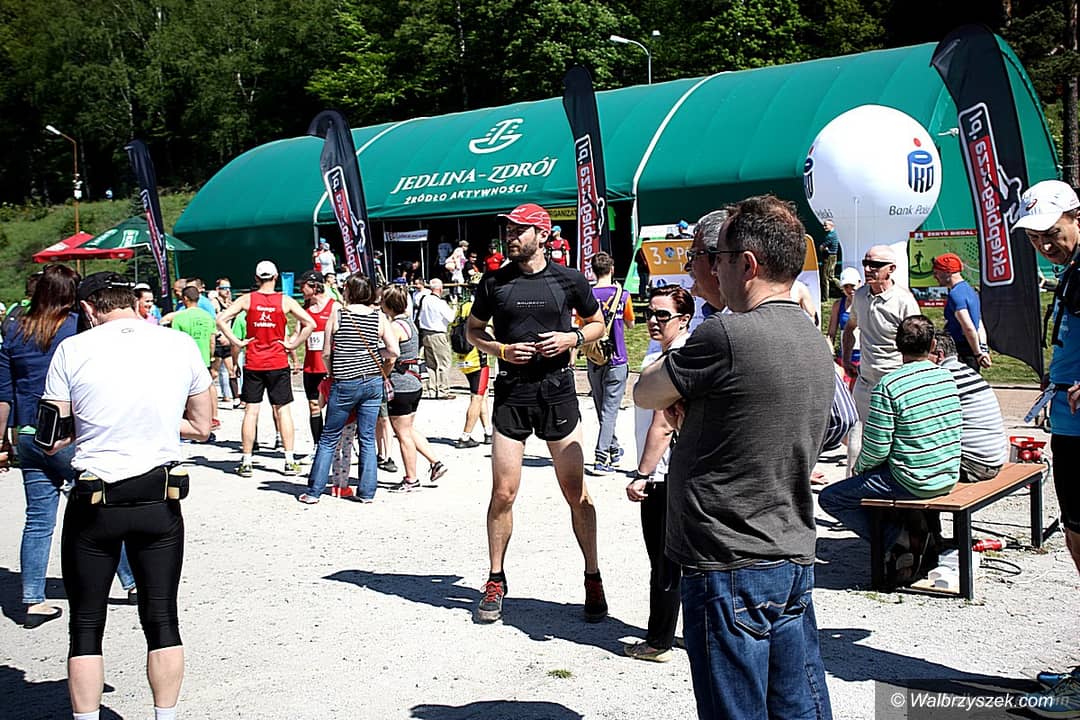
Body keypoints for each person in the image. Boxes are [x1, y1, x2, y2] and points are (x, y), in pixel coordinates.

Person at [635, 195, 834, 719]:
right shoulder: (814, 337)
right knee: (799, 706)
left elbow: (646, 391)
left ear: (746, 263)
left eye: (717, 258)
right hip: (790, 550)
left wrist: (686, 394)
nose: (711, 270)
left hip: (726, 559)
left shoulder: (725, 333)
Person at [41, 271, 212, 720]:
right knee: (162, 618)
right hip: (159, 495)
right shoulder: (178, 344)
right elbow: (202, 424)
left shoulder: (73, 349)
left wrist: (89, 426)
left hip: (97, 497)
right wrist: (155, 422)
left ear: (88, 308)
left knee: (86, 624)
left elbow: (50, 436)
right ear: (134, 301)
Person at [465, 202, 607, 624]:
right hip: (512, 393)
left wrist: (572, 338)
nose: (510, 236)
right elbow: (473, 331)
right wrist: (501, 349)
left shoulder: (569, 279)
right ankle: (495, 579)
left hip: (557, 392)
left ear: (542, 235)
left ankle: (593, 576)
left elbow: (597, 323)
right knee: (503, 493)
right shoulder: (494, 281)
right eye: (508, 230)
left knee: (576, 493)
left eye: (519, 230)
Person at [820, 316, 961, 586]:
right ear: (933, 344)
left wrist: (859, 469)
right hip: (947, 473)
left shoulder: (889, 385)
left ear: (897, 346)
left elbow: (877, 447)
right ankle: (913, 534)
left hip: (911, 479)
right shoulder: (946, 377)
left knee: (832, 498)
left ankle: (897, 538)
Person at [1013, 178, 1080, 713]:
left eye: (1051, 232)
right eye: (1035, 237)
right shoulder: (1070, 272)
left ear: (1077, 217)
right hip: (1069, 427)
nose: (1043, 244)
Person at [624, 284, 693, 663]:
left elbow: (663, 424)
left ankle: (658, 641)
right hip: (669, 473)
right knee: (676, 561)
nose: (653, 320)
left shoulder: (677, 359)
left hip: (666, 475)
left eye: (662, 315)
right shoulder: (661, 353)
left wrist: (642, 473)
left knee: (665, 562)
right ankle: (684, 633)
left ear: (684, 319)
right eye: (649, 312)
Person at [298, 275, 399, 504]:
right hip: (372, 381)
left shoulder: (338, 314)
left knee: (328, 437)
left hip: (345, 381)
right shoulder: (378, 316)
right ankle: (367, 493)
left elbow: (326, 353)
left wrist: (332, 371)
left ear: (349, 291)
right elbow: (394, 351)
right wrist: (373, 354)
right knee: (367, 438)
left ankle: (314, 491)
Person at [215, 260, 315, 477]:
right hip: (278, 361)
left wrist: (237, 341)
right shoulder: (285, 300)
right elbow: (310, 323)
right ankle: (289, 460)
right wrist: (293, 344)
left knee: (251, 411)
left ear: (256, 278)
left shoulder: (247, 299)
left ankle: (246, 461)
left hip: (254, 361)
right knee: (283, 410)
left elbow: (221, 319)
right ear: (276, 277)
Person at [841, 245, 920, 474]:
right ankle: (851, 487)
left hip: (896, 383)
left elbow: (919, 343)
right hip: (866, 381)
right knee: (856, 440)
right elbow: (850, 327)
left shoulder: (904, 301)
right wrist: (846, 358)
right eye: (865, 263)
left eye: (875, 265)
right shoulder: (860, 296)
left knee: (896, 442)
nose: (868, 269)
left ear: (891, 269)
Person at [381, 284, 447, 492]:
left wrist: (383, 375)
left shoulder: (395, 327)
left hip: (400, 384)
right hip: (413, 382)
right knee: (408, 428)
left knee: (402, 434)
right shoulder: (410, 322)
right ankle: (435, 462)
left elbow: (391, 357)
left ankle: (411, 478)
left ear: (388, 304)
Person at [929, 331, 1007, 482]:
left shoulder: (944, 378)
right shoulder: (969, 374)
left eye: (925, 355)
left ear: (939, 355)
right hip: (993, 459)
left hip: (972, 464)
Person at [583, 251, 634, 474]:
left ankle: (613, 449)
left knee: (602, 408)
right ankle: (602, 457)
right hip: (617, 357)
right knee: (610, 410)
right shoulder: (623, 295)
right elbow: (631, 323)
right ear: (612, 269)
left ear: (593, 271)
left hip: (594, 357)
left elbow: (581, 326)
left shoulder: (586, 296)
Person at [162, 287, 219, 431]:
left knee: (187, 392)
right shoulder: (208, 317)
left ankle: (190, 419)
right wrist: (211, 356)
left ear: (185, 299)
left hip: (185, 360)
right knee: (208, 388)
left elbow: (175, 341)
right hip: (204, 358)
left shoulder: (179, 318)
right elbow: (212, 341)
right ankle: (213, 417)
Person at [932, 252, 991, 372]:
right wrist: (983, 349)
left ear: (947, 272)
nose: (935, 277)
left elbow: (968, 326)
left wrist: (978, 353)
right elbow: (979, 324)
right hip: (972, 348)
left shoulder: (955, 294)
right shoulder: (971, 291)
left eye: (936, 273)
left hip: (961, 350)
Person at [299, 270, 337, 447]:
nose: (301, 289)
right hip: (311, 366)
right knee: (314, 405)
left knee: (334, 407)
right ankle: (317, 445)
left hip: (330, 366)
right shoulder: (304, 310)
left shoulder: (334, 307)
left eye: (303, 286)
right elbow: (297, 334)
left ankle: (335, 445)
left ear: (314, 287)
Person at [451, 297, 491, 448]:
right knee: (477, 397)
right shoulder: (480, 308)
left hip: (463, 358)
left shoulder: (462, 308)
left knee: (482, 395)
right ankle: (465, 436)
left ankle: (488, 432)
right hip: (477, 360)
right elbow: (488, 332)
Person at [415, 278, 455, 399]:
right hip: (438, 334)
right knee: (444, 363)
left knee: (430, 364)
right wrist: (454, 306)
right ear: (440, 289)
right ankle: (443, 390)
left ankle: (432, 390)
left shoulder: (424, 299)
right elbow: (451, 318)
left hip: (425, 333)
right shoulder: (440, 303)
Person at [827, 267, 862, 385]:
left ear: (859, 283)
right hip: (845, 357)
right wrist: (831, 353)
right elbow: (831, 333)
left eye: (852, 286)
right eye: (846, 286)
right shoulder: (838, 305)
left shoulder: (867, 303)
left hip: (864, 357)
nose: (850, 290)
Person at [210, 279, 238, 405]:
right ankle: (205, 393)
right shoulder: (214, 303)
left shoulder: (230, 304)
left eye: (229, 288)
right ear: (218, 289)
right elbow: (213, 322)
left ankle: (236, 398)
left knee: (232, 370)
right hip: (219, 340)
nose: (227, 291)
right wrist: (219, 335)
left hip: (228, 340)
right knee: (214, 372)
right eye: (224, 288)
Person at [818, 218, 839, 299]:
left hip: (829, 257)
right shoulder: (834, 234)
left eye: (826, 225)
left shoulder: (830, 236)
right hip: (832, 256)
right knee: (829, 276)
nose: (824, 227)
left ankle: (825, 297)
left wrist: (823, 248)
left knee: (826, 277)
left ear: (831, 225)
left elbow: (822, 246)